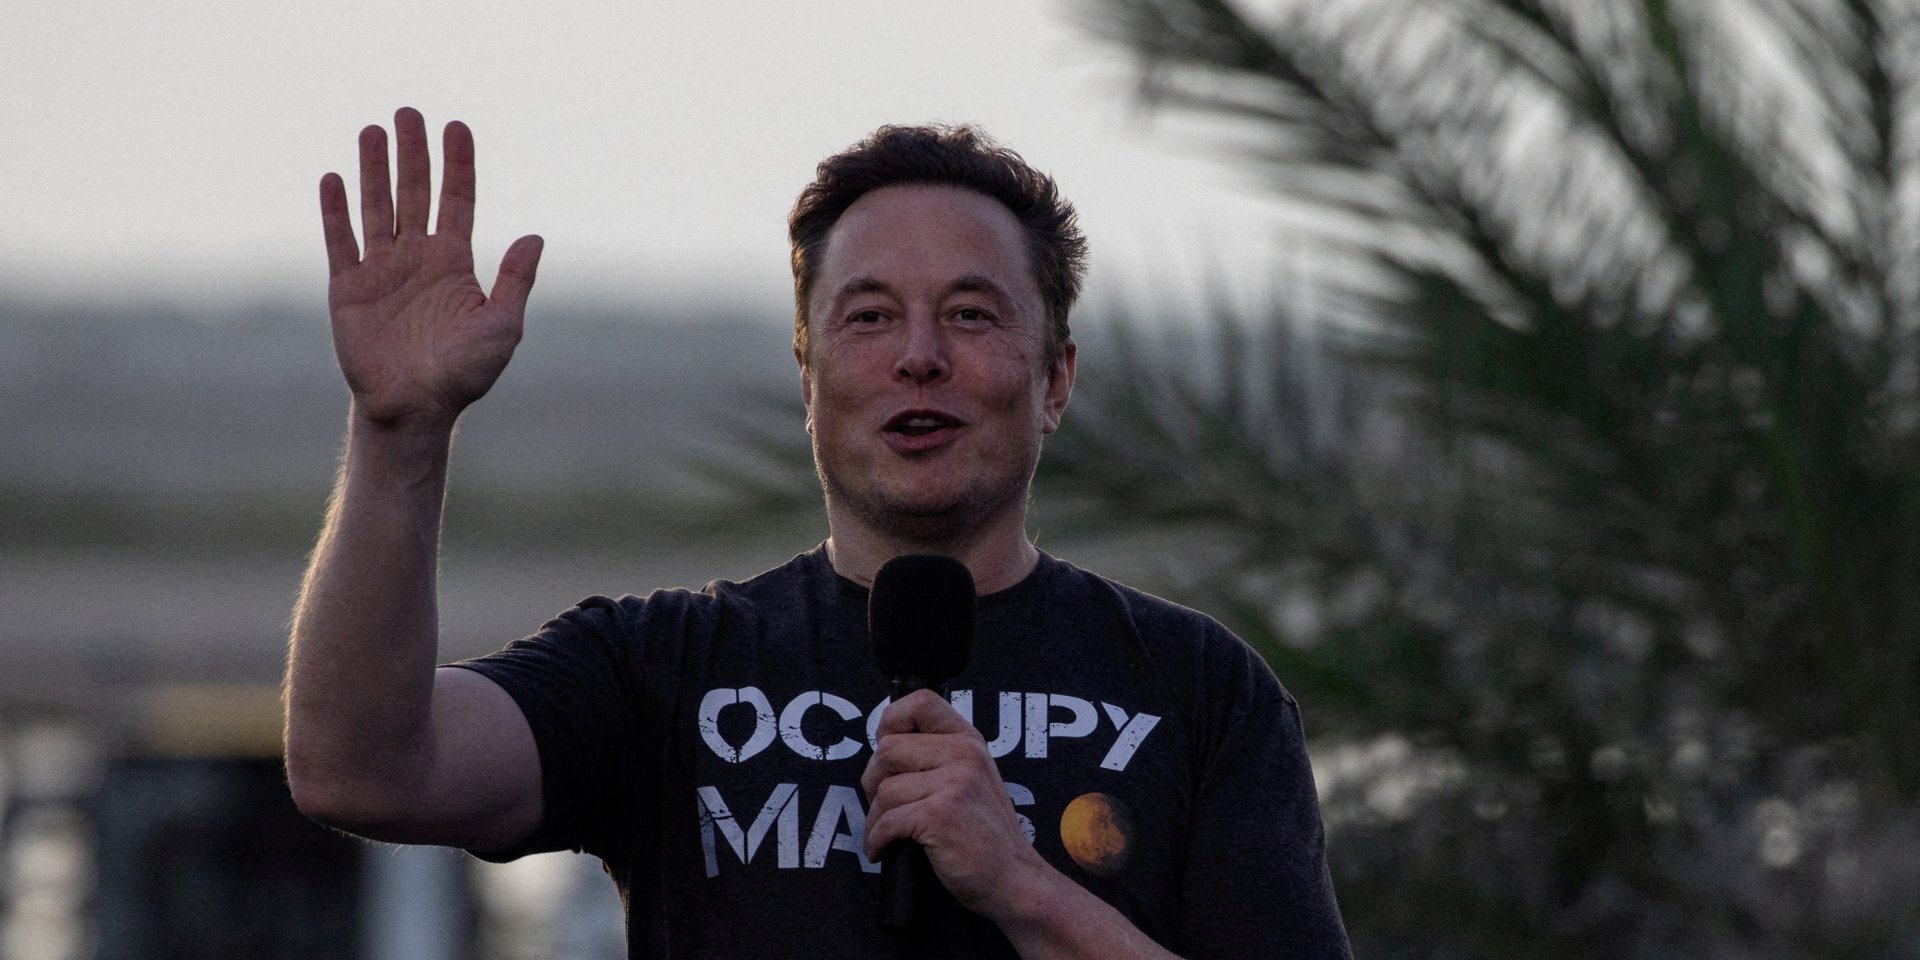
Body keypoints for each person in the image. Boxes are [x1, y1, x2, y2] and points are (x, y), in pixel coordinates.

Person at [284, 107, 1351, 959]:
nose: (920, 357)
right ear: (809, 376)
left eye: (971, 314)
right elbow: (358, 770)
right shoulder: (664, 669)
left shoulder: (1198, 690)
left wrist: (1021, 884)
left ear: (1055, 379)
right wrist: (398, 431)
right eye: (869, 316)